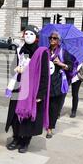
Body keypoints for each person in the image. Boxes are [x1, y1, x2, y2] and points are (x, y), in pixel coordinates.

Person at [5, 25, 50, 153]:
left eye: (31, 34)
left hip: (33, 89)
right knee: (15, 114)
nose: (28, 36)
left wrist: (40, 93)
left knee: (27, 115)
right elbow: (14, 66)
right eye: (26, 34)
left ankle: (25, 141)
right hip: (18, 86)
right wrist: (17, 69)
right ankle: (16, 138)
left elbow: (44, 75)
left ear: (36, 37)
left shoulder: (41, 52)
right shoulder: (20, 50)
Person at [46, 31, 73, 139]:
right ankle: (44, 123)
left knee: (54, 107)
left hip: (57, 83)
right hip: (46, 82)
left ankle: (50, 128)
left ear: (59, 41)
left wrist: (61, 64)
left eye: (55, 38)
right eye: (51, 37)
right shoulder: (45, 51)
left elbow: (70, 67)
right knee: (45, 106)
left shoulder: (63, 52)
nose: (52, 39)